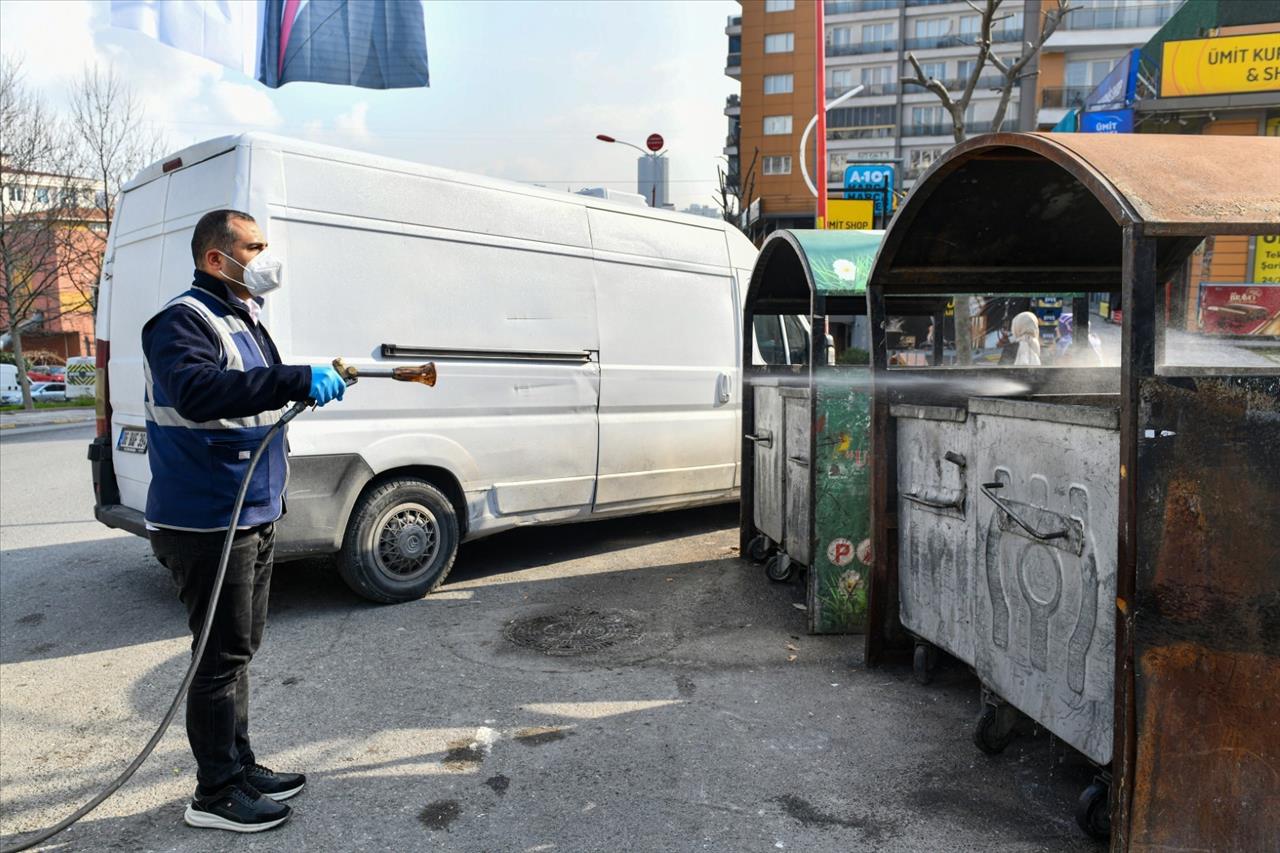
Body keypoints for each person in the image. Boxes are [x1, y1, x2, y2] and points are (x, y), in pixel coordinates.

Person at [141, 209, 347, 833]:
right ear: (215, 258)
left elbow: (253, 391)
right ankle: (214, 794)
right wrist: (292, 377)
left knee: (238, 649)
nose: (265, 258)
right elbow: (199, 392)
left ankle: (239, 763)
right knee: (217, 658)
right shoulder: (181, 321)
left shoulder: (242, 317)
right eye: (254, 248)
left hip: (249, 513)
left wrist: (298, 381)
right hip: (206, 521)